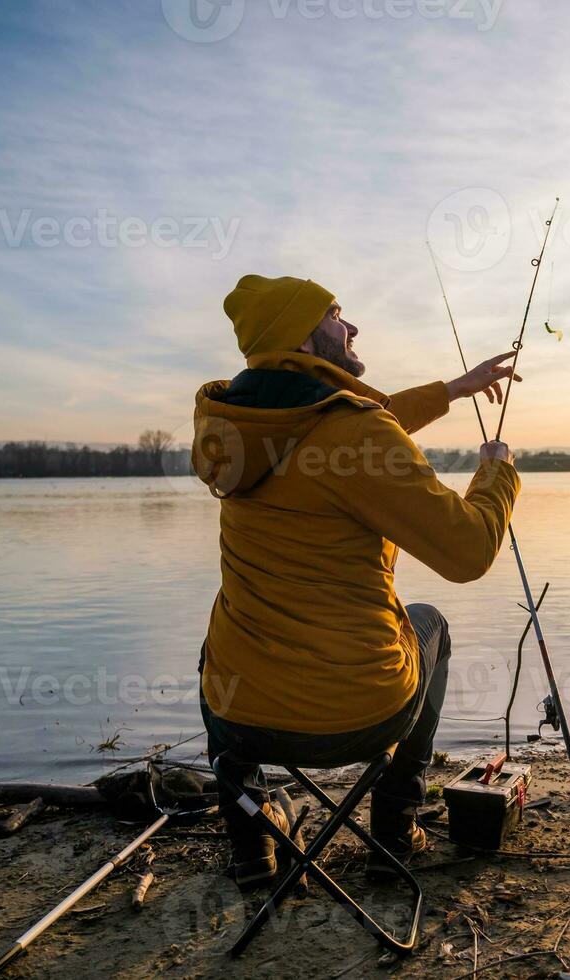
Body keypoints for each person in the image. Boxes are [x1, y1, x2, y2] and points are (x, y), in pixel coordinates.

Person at [192, 273, 521, 887]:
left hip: (246, 718)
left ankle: (253, 844)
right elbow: (468, 552)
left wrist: (457, 387)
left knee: (221, 646)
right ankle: (394, 828)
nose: (352, 325)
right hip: (359, 714)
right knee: (431, 623)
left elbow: (353, 429)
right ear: (305, 340)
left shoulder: (238, 432)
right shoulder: (355, 433)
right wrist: (495, 474)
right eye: (337, 313)